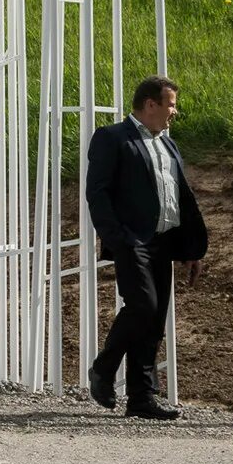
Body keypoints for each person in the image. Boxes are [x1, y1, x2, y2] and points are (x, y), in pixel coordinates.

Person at [85, 74, 208, 420]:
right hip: (132, 240)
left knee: (153, 319)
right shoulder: (112, 138)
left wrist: (189, 250)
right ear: (150, 104)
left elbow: (179, 198)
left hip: (164, 241)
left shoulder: (168, 144)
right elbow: (98, 193)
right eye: (170, 104)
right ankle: (104, 369)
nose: (175, 111)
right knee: (142, 305)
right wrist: (116, 237)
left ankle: (141, 397)